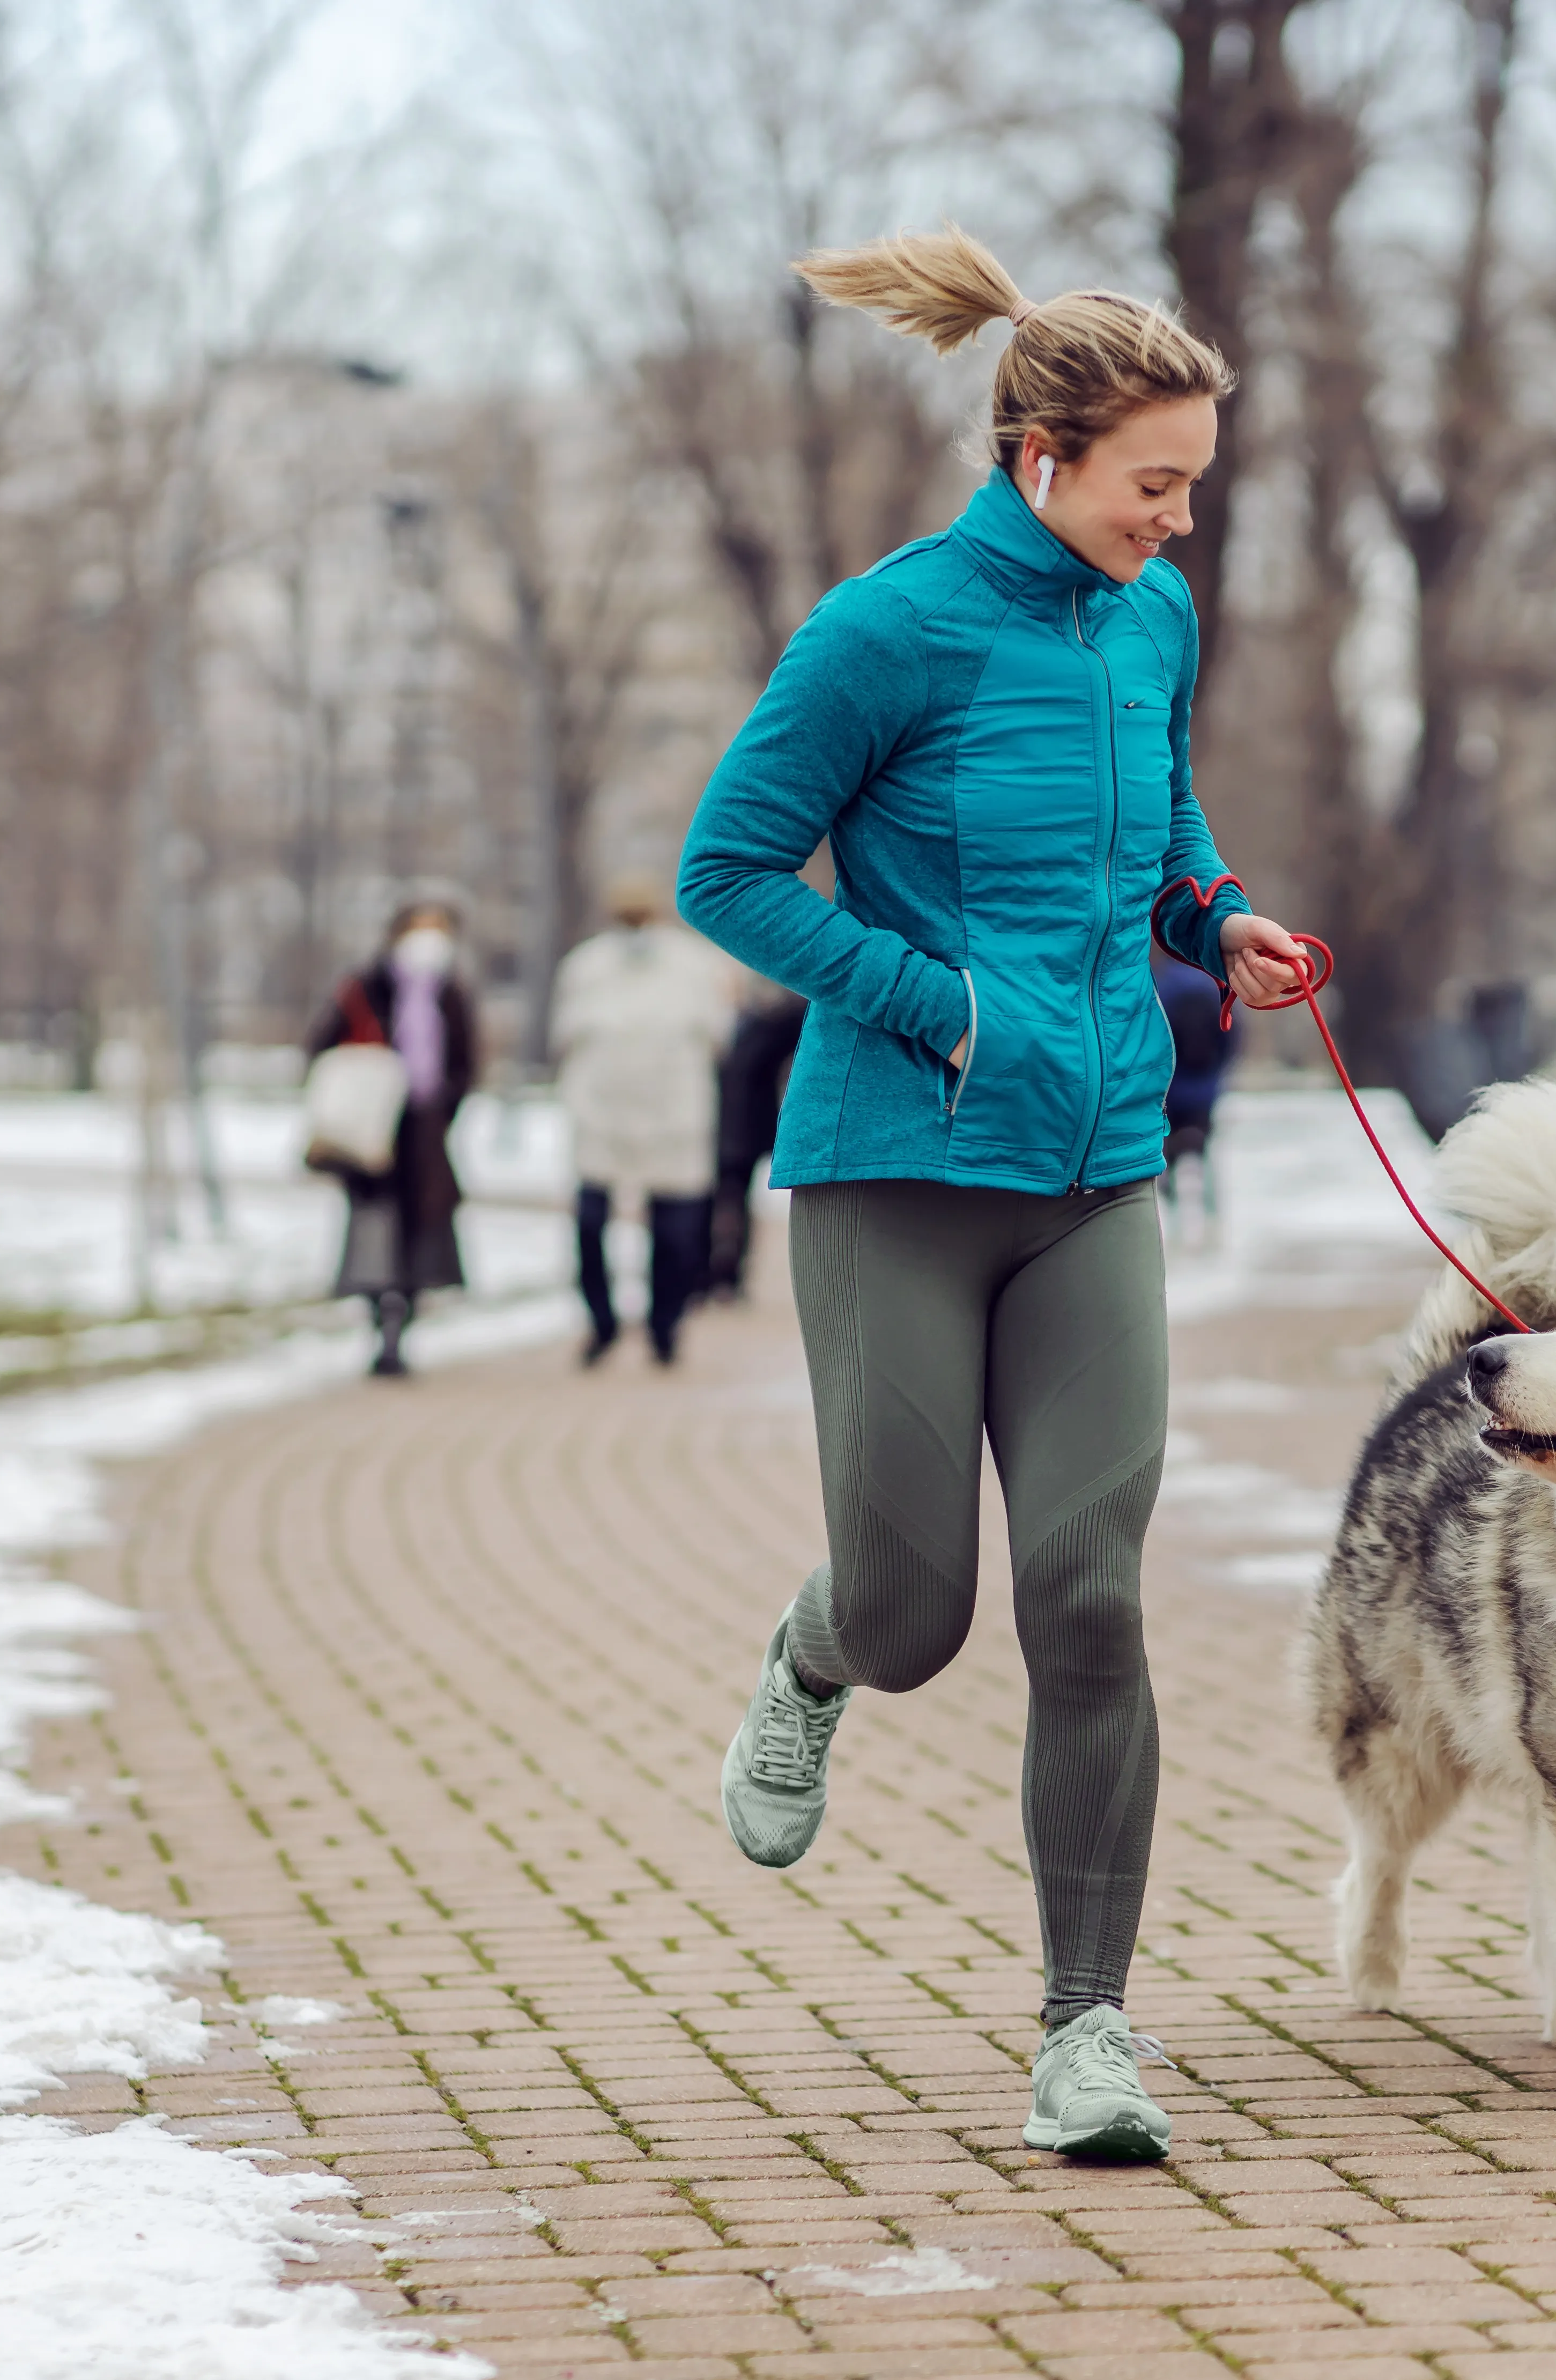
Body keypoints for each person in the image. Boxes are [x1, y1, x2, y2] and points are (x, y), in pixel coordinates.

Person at [677, 225, 1324, 2164]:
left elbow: (1158, 813)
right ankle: (814, 1653)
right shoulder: (883, 630)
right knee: (915, 1606)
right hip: (894, 1167)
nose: (1179, 520)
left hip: (1096, 1166)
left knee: (1086, 1594)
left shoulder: (1148, 623)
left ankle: (1084, 2033)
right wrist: (940, 1006)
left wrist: (1215, 919)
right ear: (1038, 455)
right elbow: (729, 871)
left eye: (1194, 483)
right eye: (1155, 482)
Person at [551, 879, 738, 1366]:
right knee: (591, 1223)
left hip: (673, 1110)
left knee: (675, 1230)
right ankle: (602, 1322)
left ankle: (665, 1324)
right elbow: (565, 1036)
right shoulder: (585, 966)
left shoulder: (696, 964)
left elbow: (720, 1035)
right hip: (602, 1111)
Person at [307, 891, 479, 1377]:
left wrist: (444, 1110)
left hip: (425, 1133)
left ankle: (400, 1325)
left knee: (420, 1232)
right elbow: (322, 1046)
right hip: (373, 1134)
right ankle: (379, 1325)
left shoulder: (451, 992)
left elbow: (465, 1064)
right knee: (374, 1231)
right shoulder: (366, 986)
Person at [705, 982, 807, 1301]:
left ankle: (728, 1273)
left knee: (733, 1198)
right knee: (714, 1200)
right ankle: (714, 1271)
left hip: (744, 1127)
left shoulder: (772, 1020)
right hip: (713, 1125)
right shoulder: (729, 1025)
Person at [1153, 955, 1235, 1236]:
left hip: (1170, 1091)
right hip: (1205, 1090)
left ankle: (1173, 1220)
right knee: (1206, 1151)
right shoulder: (1215, 987)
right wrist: (1217, 1075)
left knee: (1169, 1155)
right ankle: (1213, 1217)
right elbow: (1231, 1035)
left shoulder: (1163, 987)